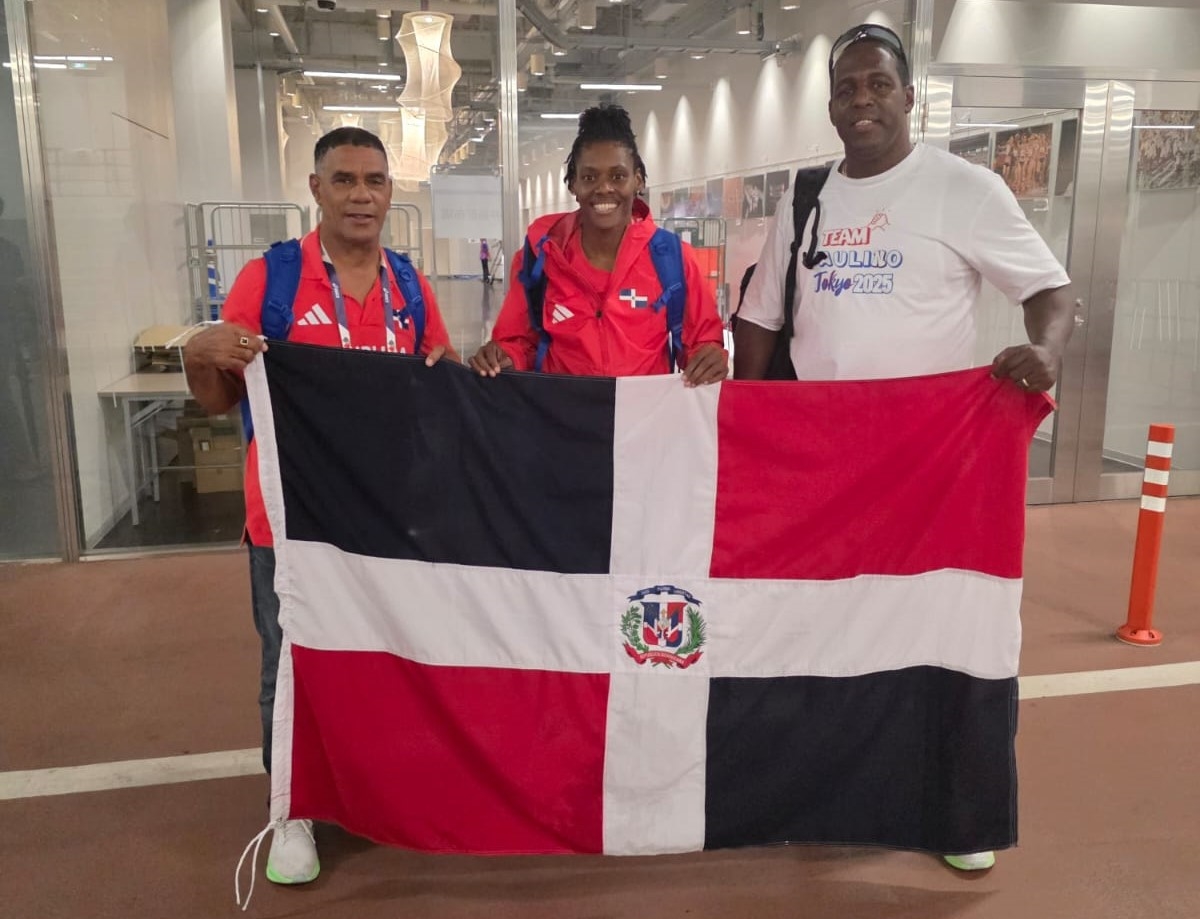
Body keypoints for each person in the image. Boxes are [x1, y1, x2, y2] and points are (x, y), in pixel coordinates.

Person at [734, 23, 1075, 872]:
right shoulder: (805, 197)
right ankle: (827, 792)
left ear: (909, 95)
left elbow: (1051, 294)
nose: (862, 103)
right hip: (820, 468)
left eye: (877, 86)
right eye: (847, 88)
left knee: (944, 640)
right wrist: (742, 424)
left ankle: (958, 816)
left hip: (931, 470)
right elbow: (760, 321)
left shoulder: (965, 189)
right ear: (830, 103)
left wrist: (1049, 353)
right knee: (819, 634)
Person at [183, 127, 457, 888]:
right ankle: (290, 808)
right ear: (316, 189)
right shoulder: (271, 279)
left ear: (390, 193)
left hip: (381, 519)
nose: (361, 195)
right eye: (344, 180)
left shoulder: (408, 286)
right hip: (290, 521)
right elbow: (215, 395)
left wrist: (452, 367)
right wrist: (199, 354)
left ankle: (368, 786)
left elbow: (440, 382)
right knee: (290, 662)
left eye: (374, 180)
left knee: (382, 654)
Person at [469, 104, 727, 384]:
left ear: (637, 180)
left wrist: (709, 357)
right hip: (561, 420)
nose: (604, 188)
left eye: (618, 176)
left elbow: (701, 343)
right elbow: (519, 341)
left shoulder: (672, 259)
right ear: (573, 185)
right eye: (589, 177)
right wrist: (504, 356)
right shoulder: (541, 256)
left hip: (641, 421)